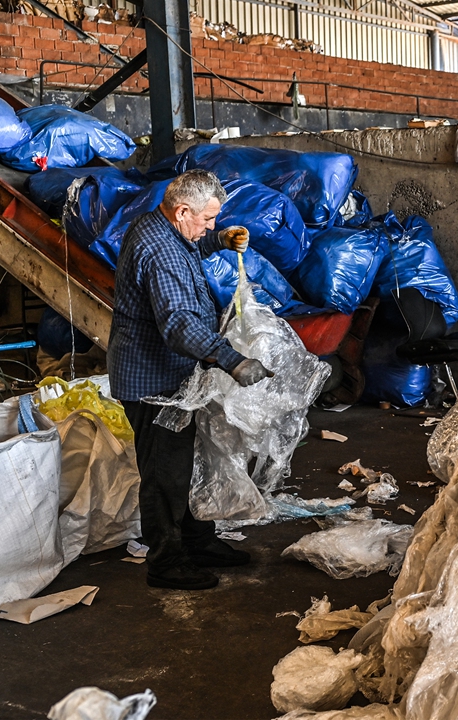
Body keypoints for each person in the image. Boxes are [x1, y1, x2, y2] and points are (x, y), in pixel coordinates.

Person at [108, 169, 270, 591]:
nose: (211, 226)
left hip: (175, 377)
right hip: (153, 383)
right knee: (165, 475)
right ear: (182, 211)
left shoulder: (164, 228)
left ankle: (198, 542)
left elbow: (186, 254)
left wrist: (217, 241)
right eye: (208, 221)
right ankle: (166, 563)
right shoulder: (158, 249)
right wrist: (233, 361)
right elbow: (178, 323)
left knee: (190, 464)